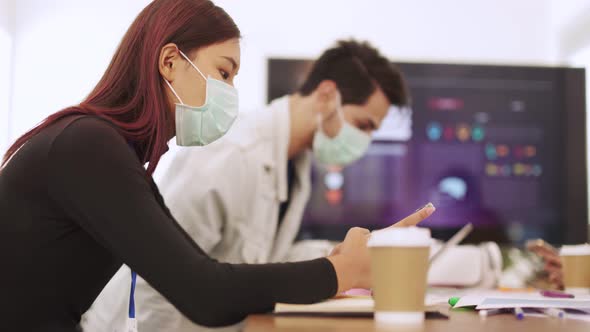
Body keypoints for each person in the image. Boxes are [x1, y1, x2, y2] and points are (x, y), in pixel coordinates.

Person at [0, 1, 435, 331]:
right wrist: (341, 272)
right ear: (169, 62)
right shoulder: (89, 145)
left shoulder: (115, 152)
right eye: (224, 73)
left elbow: (204, 272)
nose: (230, 93)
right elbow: (203, 291)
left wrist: (340, 261)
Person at [83, 40, 424, 332]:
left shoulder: (296, 162)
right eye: (363, 125)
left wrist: (348, 257)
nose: (364, 141)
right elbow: (154, 279)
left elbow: (266, 257)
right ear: (326, 95)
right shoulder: (233, 155)